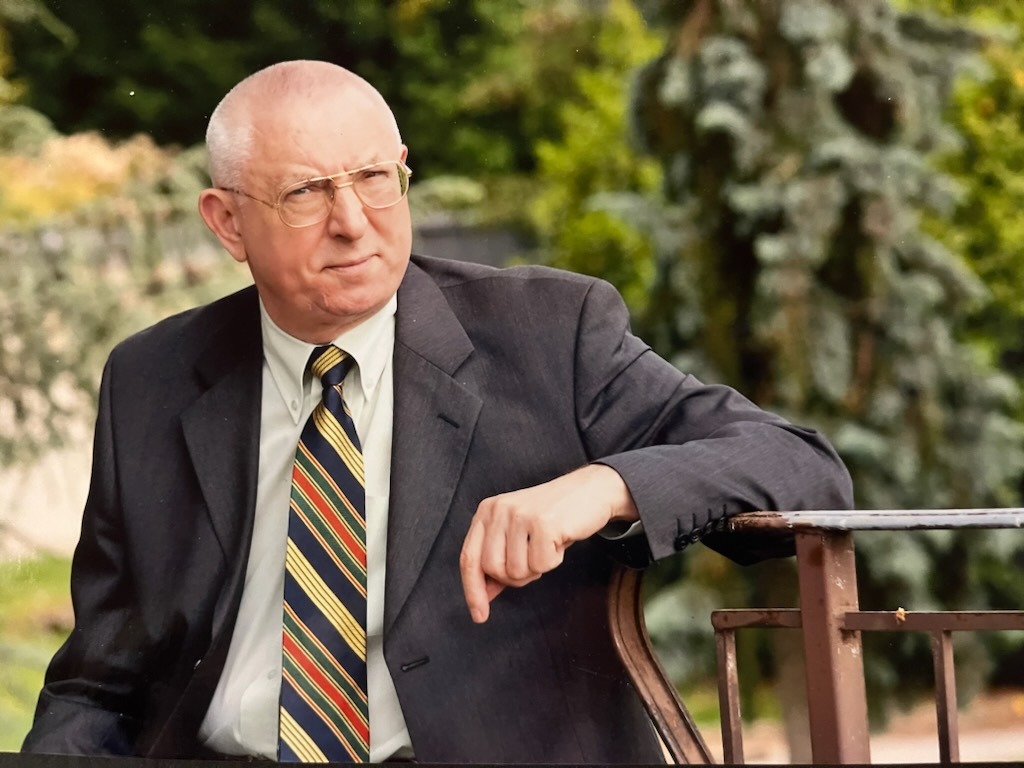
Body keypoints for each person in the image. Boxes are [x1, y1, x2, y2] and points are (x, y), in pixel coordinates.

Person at [22, 60, 852, 763]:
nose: (354, 224)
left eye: (374, 179)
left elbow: (802, 466)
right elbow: (100, 681)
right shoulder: (152, 379)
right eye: (307, 193)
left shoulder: (548, 335)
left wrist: (603, 486)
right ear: (227, 223)